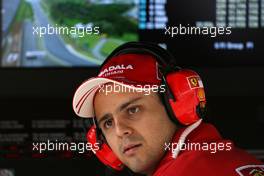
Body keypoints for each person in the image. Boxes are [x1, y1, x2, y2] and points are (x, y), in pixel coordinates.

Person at [72, 42, 264, 176]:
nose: (120, 130)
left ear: (177, 104)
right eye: (107, 123)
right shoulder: (241, 161)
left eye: (132, 110)